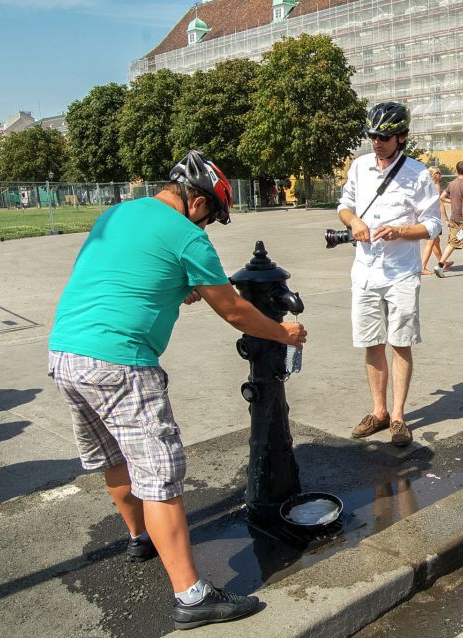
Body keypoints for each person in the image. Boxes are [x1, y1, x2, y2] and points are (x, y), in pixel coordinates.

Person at [47, 150, 307, 631]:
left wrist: (176, 287)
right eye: (211, 216)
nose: (208, 227)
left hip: (65, 353)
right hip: (121, 361)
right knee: (160, 473)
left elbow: (123, 275)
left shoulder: (119, 211)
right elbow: (233, 310)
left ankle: (140, 537)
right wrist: (282, 332)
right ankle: (192, 596)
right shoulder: (189, 235)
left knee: (113, 457)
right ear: (198, 201)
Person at [337, 102, 442, 446]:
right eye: (372, 135)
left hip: (401, 273)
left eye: (383, 136)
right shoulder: (359, 167)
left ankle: (398, 416)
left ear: (401, 137)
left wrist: (402, 232)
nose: (376, 142)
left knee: (400, 343)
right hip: (365, 272)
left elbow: (433, 224)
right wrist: (353, 221)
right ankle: (378, 411)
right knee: (371, 343)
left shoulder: (418, 174)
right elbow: (345, 205)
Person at [420, 166, 452, 275]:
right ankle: (422, 267)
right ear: (433, 174)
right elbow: (440, 204)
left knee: (436, 242)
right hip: (432, 218)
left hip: (426, 216)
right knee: (431, 242)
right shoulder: (436, 185)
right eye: (437, 173)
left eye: (440, 172)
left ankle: (442, 262)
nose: (440, 174)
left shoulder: (426, 185)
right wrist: (446, 219)